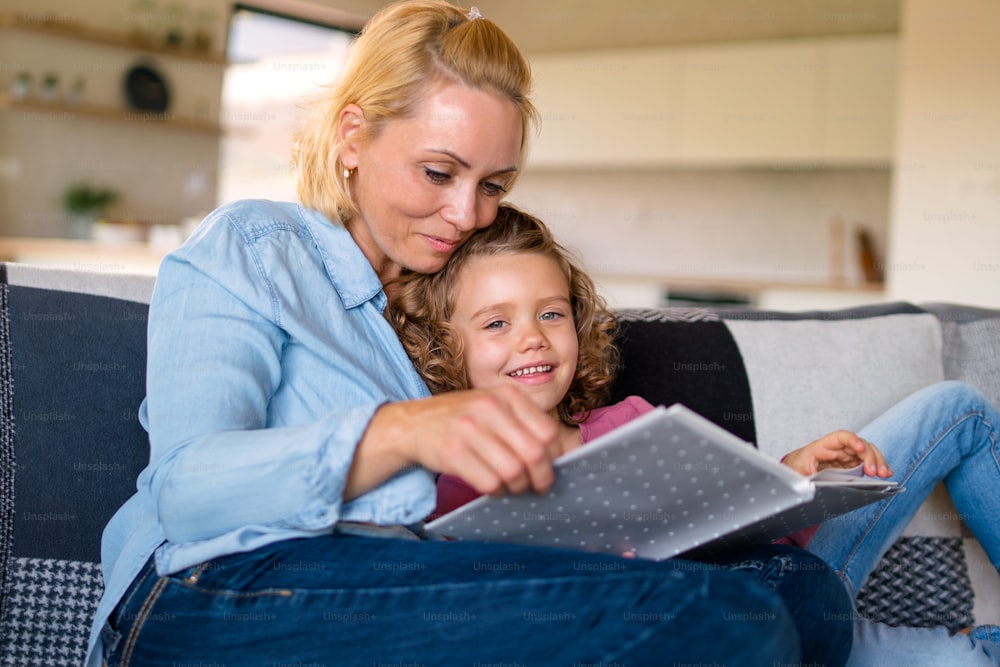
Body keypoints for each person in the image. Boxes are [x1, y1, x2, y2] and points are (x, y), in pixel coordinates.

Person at [86, 2, 839, 666]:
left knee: (796, 593)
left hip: (405, 578)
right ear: (353, 136)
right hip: (207, 591)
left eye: (493, 186)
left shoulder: (450, 297)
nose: (468, 213)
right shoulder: (256, 246)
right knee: (712, 621)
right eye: (438, 172)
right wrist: (404, 429)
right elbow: (188, 489)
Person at [387, 204, 1000, 666]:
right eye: (497, 322)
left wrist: (795, 471)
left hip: (800, 572)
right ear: (446, 347)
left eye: (551, 313)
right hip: (737, 626)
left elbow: (751, 519)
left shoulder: (632, 420)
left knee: (959, 409)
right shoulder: (456, 488)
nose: (533, 338)